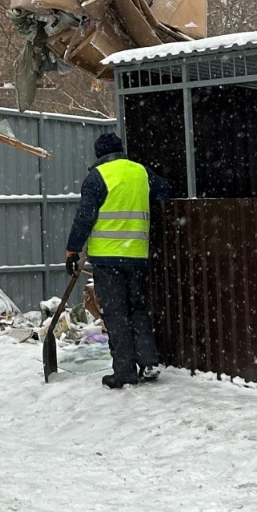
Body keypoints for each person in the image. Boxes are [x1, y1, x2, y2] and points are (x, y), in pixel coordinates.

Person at [65, 130, 173, 389]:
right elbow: (165, 190)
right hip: (137, 255)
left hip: (108, 258)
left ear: (99, 154)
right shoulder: (141, 173)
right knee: (136, 308)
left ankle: (124, 371)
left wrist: (72, 250)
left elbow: (84, 218)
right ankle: (148, 362)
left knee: (115, 314)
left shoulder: (97, 177)